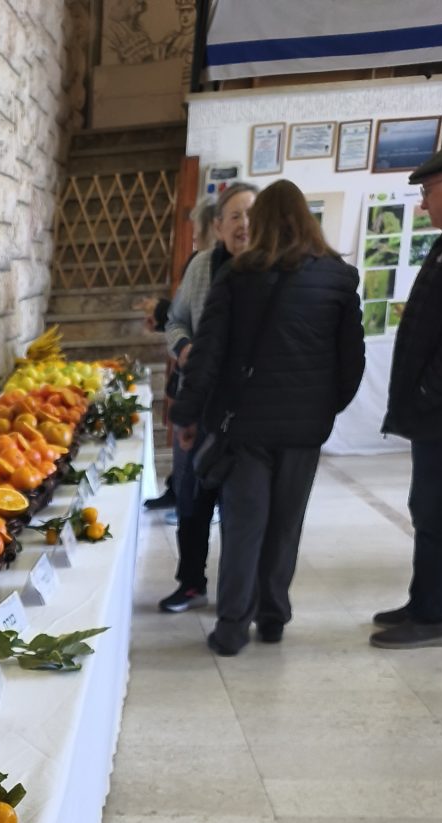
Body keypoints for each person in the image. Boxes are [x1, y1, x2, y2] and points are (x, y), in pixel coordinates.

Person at [172, 180, 365, 655]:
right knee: (285, 525)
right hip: (303, 432)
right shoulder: (338, 279)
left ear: (260, 223)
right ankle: (274, 616)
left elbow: (207, 356)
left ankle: (233, 627)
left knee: (244, 526)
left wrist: (187, 415)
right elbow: (351, 363)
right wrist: (323, 409)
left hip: (245, 429)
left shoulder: (237, 277)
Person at [371, 140, 442, 649]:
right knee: (430, 511)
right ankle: (424, 600)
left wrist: (427, 390)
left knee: (441, 513)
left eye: (429, 191)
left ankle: (432, 617)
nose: (423, 203)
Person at [157, 184, 255, 611]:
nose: (243, 224)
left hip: (248, 413)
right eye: (234, 216)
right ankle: (191, 580)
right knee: (191, 495)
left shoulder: (271, 271)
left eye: (250, 215)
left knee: (241, 506)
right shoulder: (201, 267)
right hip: (196, 401)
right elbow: (175, 321)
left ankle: (238, 591)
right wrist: (182, 348)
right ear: (217, 226)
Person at [144, 199, 220, 514]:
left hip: (208, 381)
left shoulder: (211, 264)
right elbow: (181, 315)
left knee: (199, 454)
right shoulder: (199, 264)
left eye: (196, 230)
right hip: (190, 370)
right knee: (185, 449)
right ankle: (179, 490)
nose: (193, 238)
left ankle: (194, 500)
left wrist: (162, 313)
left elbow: (196, 318)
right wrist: (168, 323)